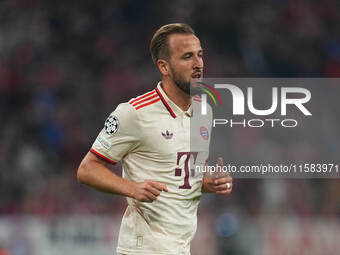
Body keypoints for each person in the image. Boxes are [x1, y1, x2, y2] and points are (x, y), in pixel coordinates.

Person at [77, 23, 233, 255]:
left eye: (200, 55)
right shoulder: (134, 113)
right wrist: (130, 187)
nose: (198, 64)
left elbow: (181, 177)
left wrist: (207, 184)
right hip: (143, 248)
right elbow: (87, 169)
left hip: (180, 248)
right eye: (187, 57)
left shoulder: (203, 112)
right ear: (164, 67)